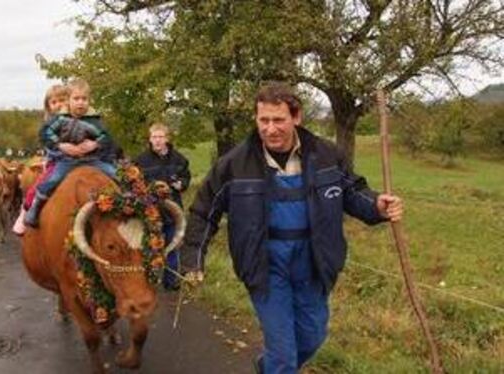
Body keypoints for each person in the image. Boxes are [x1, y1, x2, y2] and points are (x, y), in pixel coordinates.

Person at [179, 82, 403, 374]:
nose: (270, 129)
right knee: (284, 355)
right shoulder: (234, 164)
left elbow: (352, 192)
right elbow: (203, 211)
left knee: (313, 336)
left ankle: (266, 367)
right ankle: (277, 366)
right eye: (264, 120)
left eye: (278, 120)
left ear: (296, 117)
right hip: (264, 263)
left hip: (314, 259)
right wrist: (193, 258)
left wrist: (377, 206)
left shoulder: (325, 155)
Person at [24, 78, 119, 228]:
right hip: (67, 160)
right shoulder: (60, 119)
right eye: (76, 99)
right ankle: (35, 208)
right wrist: (60, 145)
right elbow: (45, 133)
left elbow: (106, 137)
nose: (80, 102)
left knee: (116, 173)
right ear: (69, 100)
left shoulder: (95, 120)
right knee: (53, 179)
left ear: (89, 100)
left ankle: (129, 204)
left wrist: (95, 144)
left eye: (84, 99)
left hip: (92, 160)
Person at [134, 122, 191, 290]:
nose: (157, 140)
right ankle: (148, 281)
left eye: (160, 137)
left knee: (172, 245)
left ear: (167, 138)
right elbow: (134, 184)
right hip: (150, 211)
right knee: (150, 246)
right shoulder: (140, 161)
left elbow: (186, 178)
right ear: (150, 139)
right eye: (154, 137)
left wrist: (182, 184)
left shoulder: (179, 159)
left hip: (173, 210)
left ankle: (171, 281)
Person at [12, 84, 70, 235]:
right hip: (59, 162)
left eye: (63, 100)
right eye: (54, 102)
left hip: (82, 161)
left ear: (70, 101)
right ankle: (25, 213)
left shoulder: (79, 120)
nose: (59, 105)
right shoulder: (49, 126)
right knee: (40, 186)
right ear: (49, 107)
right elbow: (52, 146)